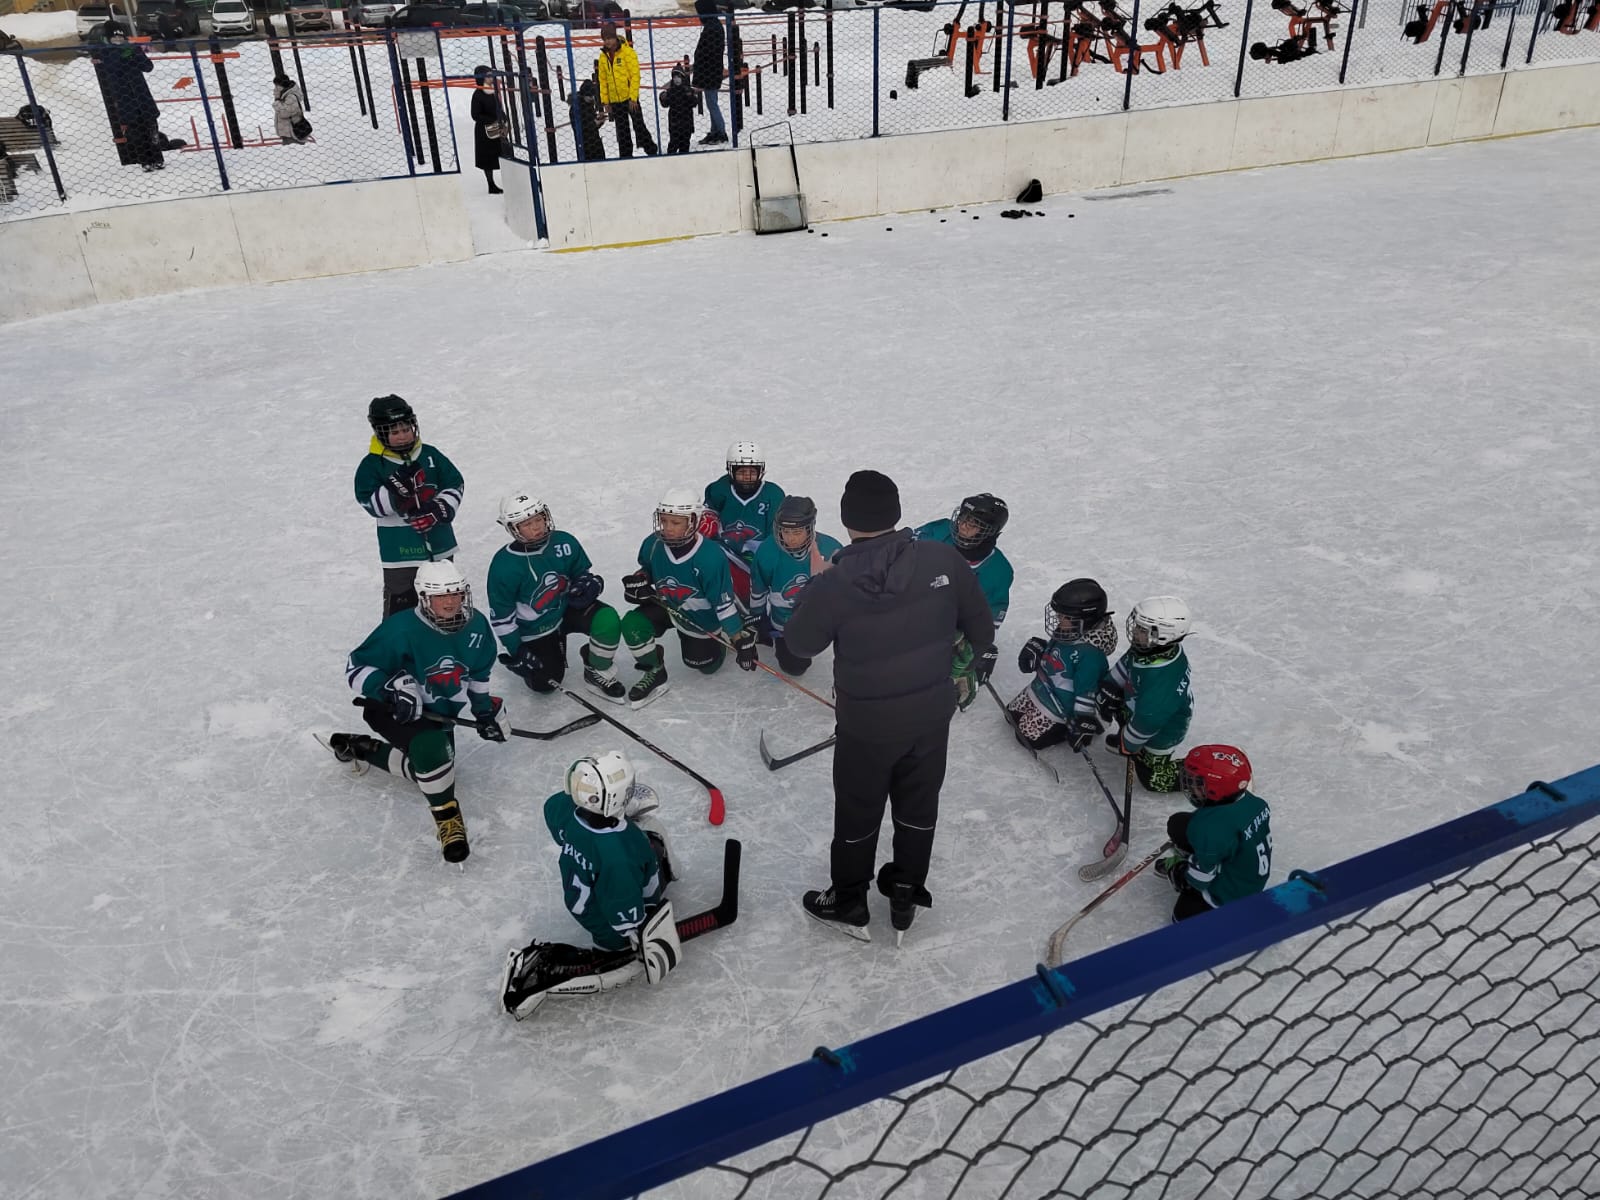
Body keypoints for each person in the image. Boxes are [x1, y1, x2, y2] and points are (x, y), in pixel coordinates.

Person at [784, 470, 995, 944]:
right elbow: (982, 630)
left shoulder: (835, 583)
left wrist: (816, 584)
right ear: (896, 513)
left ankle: (849, 899)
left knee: (858, 812)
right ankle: (904, 891)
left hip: (866, 726)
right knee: (918, 806)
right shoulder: (945, 559)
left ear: (847, 518)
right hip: (929, 719)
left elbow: (798, 645)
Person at [322, 560, 508, 865]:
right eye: (440, 595)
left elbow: (478, 674)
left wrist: (485, 713)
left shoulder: (476, 625)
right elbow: (355, 668)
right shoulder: (401, 629)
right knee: (432, 754)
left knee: (435, 769)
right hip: (393, 710)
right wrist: (389, 688)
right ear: (424, 597)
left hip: (439, 714)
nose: (450, 601)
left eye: (456, 593)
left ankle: (364, 749)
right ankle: (450, 824)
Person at [500, 751, 680, 1019]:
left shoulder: (570, 817)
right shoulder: (620, 851)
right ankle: (612, 948)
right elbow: (621, 899)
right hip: (607, 921)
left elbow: (552, 807)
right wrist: (633, 930)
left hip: (582, 902)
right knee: (652, 847)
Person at [619, 488, 759, 707]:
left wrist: (738, 638)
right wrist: (639, 582)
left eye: (676, 523)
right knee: (632, 624)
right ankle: (654, 670)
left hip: (699, 620)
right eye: (664, 521)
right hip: (667, 605)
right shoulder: (653, 545)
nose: (667, 529)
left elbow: (723, 604)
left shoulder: (710, 557)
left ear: (693, 522)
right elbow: (646, 569)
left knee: (705, 666)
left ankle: (718, 643)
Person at [487, 493, 626, 703]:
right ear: (512, 528)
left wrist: (587, 584)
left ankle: (597, 670)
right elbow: (501, 616)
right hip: (534, 629)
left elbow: (581, 573)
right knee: (545, 684)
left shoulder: (564, 541)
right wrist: (517, 650)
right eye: (526, 524)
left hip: (566, 608)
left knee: (607, 620)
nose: (536, 527)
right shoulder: (503, 565)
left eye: (538, 519)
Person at [353, 395, 465, 619]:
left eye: (406, 429)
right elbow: (368, 502)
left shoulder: (430, 454)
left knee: (444, 597)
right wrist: (393, 493)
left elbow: (455, 482)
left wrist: (439, 509)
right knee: (401, 607)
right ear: (380, 433)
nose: (403, 435)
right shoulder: (373, 465)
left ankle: (447, 644)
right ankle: (398, 650)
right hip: (400, 552)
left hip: (440, 544)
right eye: (394, 432)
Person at [1156, 745, 1272, 921]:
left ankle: (1192, 863)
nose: (1190, 785)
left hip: (1232, 895)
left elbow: (1199, 881)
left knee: (1182, 917)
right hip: (1245, 868)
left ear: (1215, 788)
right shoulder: (1256, 803)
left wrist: (1178, 871)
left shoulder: (1212, 830)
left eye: (1196, 782)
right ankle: (1201, 858)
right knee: (1179, 825)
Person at [1005, 578, 1119, 751]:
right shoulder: (1068, 631)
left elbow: (1086, 691)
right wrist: (1040, 650)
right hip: (1043, 689)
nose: (1058, 619)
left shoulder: (1090, 656)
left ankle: (1064, 729)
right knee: (1010, 716)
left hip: (1064, 707)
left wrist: (1083, 721)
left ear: (1085, 620)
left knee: (1027, 739)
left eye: (1063, 617)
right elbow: (1058, 654)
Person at [1097, 595, 1194, 793]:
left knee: (1153, 778)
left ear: (1164, 635)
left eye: (1142, 629)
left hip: (1164, 730)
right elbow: (1126, 667)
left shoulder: (1163, 677)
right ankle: (1131, 739)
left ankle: (1204, 774)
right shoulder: (1146, 651)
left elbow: (1149, 720)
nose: (1134, 631)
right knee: (1115, 704)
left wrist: (1129, 744)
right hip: (1138, 708)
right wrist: (1109, 687)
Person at [748, 495, 841, 676]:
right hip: (785, 624)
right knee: (795, 667)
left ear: (810, 528)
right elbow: (758, 587)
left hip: (821, 622)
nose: (790, 539)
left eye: (797, 532)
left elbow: (846, 591)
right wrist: (757, 617)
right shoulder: (767, 551)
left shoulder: (832, 549)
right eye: (786, 532)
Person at [914, 493, 1014, 628]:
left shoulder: (999, 571)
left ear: (990, 532)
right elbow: (899, 553)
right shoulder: (938, 531)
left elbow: (988, 621)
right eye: (963, 517)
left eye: (974, 524)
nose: (963, 526)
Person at [703, 440, 785, 560]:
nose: (747, 476)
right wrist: (709, 517)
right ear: (731, 471)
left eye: (752, 472)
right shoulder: (720, 489)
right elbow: (709, 514)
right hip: (726, 553)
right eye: (741, 472)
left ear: (760, 471)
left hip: (760, 556)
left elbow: (776, 534)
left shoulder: (773, 495)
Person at [96, 23, 163, 171]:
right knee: (136, 132)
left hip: (142, 95)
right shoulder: (106, 52)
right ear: (108, 38)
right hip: (125, 99)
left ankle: (158, 158)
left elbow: (148, 67)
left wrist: (134, 54)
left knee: (152, 129)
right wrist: (121, 56)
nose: (118, 39)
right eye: (115, 37)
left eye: (121, 36)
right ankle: (145, 161)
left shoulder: (133, 48)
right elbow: (112, 69)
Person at [595, 23, 657, 158]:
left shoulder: (628, 52)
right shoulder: (603, 57)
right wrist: (605, 101)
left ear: (615, 37)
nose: (607, 41)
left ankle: (651, 150)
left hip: (630, 98)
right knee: (622, 131)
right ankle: (626, 157)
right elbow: (602, 80)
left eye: (609, 38)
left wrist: (633, 97)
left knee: (639, 126)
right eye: (605, 39)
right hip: (615, 101)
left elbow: (635, 76)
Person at [691, 0, 729, 146]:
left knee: (712, 103)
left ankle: (721, 132)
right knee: (712, 102)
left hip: (710, 71)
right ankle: (715, 131)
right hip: (710, 70)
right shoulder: (713, 25)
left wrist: (700, 66)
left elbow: (709, 52)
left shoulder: (712, 27)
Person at [470, 65, 505, 194]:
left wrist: (503, 117)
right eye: (488, 75)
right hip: (484, 132)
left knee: (503, 154)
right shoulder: (478, 94)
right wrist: (491, 119)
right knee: (487, 159)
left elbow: (498, 108)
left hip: (497, 128)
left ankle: (508, 180)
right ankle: (491, 184)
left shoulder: (491, 91)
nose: (491, 78)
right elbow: (475, 115)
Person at [658, 62, 697, 155]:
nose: (676, 79)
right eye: (674, 76)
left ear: (682, 77)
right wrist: (662, 97)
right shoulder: (670, 91)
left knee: (685, 145)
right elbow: (665, 104)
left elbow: (694, 103)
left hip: (686, 122)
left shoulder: (687, 89)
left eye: (678, 76)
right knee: (673, 144)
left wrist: (691, 96)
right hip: (674, 123)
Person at [272, 73, 308, 145]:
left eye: (276, 86)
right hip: (288, 133)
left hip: (292, 134)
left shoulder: (290, 97)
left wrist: (277, 102)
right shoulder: (284, 95)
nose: (275, 88)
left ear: (281, 86)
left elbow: (285, 113)